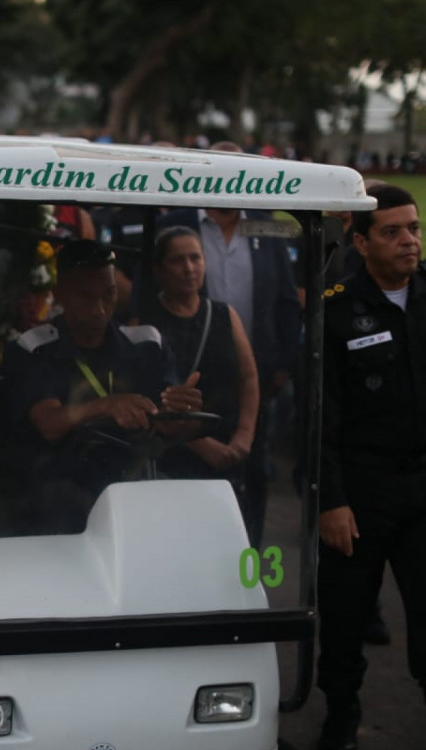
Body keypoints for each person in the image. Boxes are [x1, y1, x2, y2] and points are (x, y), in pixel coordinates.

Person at [316, 183, 426, 750]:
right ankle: (341, 717)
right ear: (360, 242)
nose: (409, 241)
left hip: (423, 487)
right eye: (393, 232)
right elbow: (319, 419)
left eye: (414, 229)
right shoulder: (335, 307)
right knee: (344, 618)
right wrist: (329, 500)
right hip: (359, 492)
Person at [157, 142, 300, 547]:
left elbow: (287, 299)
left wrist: (284, 363)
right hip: (187, 375)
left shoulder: (265, 224)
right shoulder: (180, 219)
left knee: (251, 475)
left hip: (256, 378)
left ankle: (248, 568)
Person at [5, 239, 203, 533]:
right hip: (57, 507)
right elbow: (49, 422)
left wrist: (182, 411)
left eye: (109, 296)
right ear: (59, 294)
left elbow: (168, 426)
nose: (99, 309)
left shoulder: (147, 343)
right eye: (86, 298)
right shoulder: (34, 347)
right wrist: (107, 405)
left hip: (134, 501)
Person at [141, 226, 259, 497]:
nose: (189, 268)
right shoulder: (146, 322)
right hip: (175, 458)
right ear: (159, 269)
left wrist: (244, 435)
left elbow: (249, 377)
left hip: (230, 451)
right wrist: (203, 446)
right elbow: (145, 395)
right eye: (177, 260)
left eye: (195, 258)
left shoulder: (224, 314)